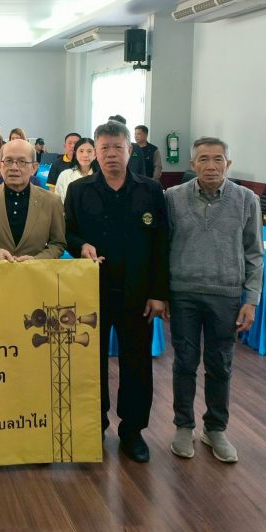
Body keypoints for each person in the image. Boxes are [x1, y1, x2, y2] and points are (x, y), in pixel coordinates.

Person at [65, 120, 169, 463]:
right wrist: (81, 246)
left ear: (130, 150)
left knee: (137, 364)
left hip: (138, 294)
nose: (111, 154)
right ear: (95, 152)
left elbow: (161, 243)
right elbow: (68, 233)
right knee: (90, 364)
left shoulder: (150, 190)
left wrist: (159, 293)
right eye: (104, 148)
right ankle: (94, 426)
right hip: (92, 292)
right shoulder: (79, 190)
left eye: (118, 148)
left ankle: (133, 431)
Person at [166, 137, 262, 463]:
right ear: (192, 164)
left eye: (218, 159)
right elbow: (161, 247)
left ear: (228, 164)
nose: (211, 166)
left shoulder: (246, 200)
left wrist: (251, 299)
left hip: (227, 295)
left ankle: (215, 428)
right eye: (203, 159)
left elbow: (254, 253)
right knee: (184, 362)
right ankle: (183, 425)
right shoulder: (172, 198)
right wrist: (162, 293)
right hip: (183, 293)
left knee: (220, 363)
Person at [0, 139, 65, 261]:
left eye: (22, 162)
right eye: (8, 161)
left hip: (36, 272)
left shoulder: (52, 202)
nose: (14, 167)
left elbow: (57, 244)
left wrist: (37, 260)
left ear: (34, 168)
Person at [54, 137, 97, 203]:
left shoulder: (102, 176)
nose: (85, 155)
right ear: (75, 154)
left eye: (89, 151)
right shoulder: (65, 175)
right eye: (81, 151)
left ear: (95, 155)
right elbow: (58, 201)